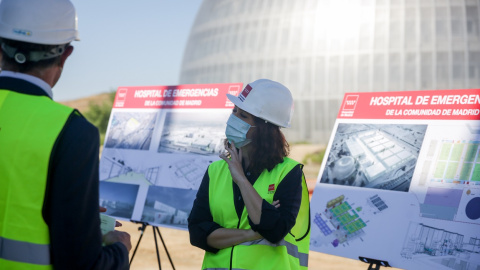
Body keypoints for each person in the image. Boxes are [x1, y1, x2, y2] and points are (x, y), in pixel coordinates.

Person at [0, 0, 132, 269]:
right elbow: (83, 264)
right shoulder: (72, 132)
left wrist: (68, 210)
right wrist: (119, 248)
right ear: (66, 54)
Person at [188, 79, 310, 270]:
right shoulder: (215, 171)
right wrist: (251, 233)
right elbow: (197, 232)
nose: (233, 118)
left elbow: (275, 230)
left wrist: (241, 180)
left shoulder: (288, 173)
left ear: (264, 128)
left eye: (243, 115)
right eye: (234, 111)